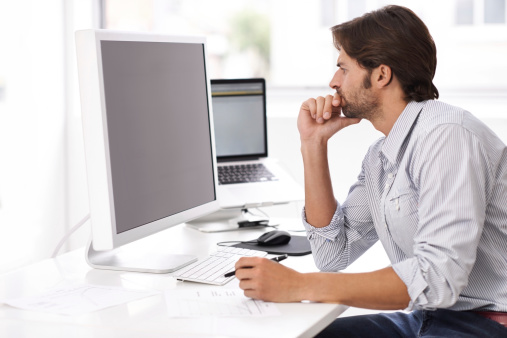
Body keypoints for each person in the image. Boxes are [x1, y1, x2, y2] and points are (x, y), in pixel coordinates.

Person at [234, 5, 507, 337]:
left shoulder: (447, 135)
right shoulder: (381, 157)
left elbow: (438, 279)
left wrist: (300, 286)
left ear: (380, 74)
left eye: (343, 69)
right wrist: (313, 144)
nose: (333, 82)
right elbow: (332, 254)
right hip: (429, 317)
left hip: (486, 324)